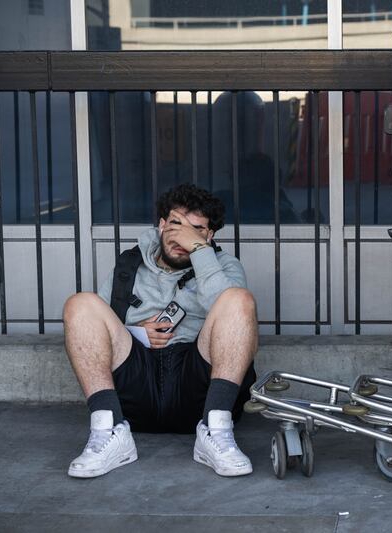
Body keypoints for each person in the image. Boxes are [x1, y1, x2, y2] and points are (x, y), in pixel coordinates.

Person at [62, 183, 258, 478]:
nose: (182, 237)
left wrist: (200, 252)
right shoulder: (129, 266)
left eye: (196, 230)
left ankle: (216, 430)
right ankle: (108, 429)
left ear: (209, 236)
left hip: (196, 385)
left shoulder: (224, 266)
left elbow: (233, 314)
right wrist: (135, 332)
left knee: (239, 299)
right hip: (135, 383)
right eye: (177, 225)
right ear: (162, 225)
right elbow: (94, 333)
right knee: (80, 304)